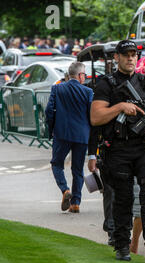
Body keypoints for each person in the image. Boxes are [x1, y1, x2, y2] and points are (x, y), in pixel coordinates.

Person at [90, 39, 145, 263]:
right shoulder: (106, 83)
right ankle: (122, 245)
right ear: (116, 57)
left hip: (144, 147)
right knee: (123, 197)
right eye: (125, 54)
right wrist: (119, 107)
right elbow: (96, 117)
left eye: (133, 54)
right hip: (118, 148)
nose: (130, 58)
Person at [45, 62, 93, 214]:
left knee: (56, 164)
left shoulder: (57, 88)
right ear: (79, 75)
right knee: (77, 170)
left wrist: (51, 129)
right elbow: (91, 115)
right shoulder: (88, 91)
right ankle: (76, 203)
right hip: (82, 135)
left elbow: (49, 111)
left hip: (62, 133)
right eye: (84, 74)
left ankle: (65, 189)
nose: (85, 77)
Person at [87, 126, 115, 246]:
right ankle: (112, 230)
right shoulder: (102, 108)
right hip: (108, 155)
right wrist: (92, 156)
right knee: (110, 192)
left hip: (130, 154)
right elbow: (95, 127)